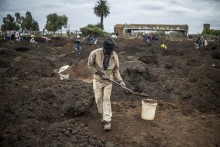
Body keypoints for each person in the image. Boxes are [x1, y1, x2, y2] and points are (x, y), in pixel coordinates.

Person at [88, 37, 125, 131]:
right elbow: (90, 65)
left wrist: (120, 81)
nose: (110, 53)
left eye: (111, 51)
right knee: (98, 99)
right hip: (98, 80)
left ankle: (107, 120)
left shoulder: (114, 56)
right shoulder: (95, 53)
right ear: (104, 48)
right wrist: (99, 73)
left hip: (109, 81)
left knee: (106, 99)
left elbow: (116, 70)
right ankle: (103, 115)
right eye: (108, 51)